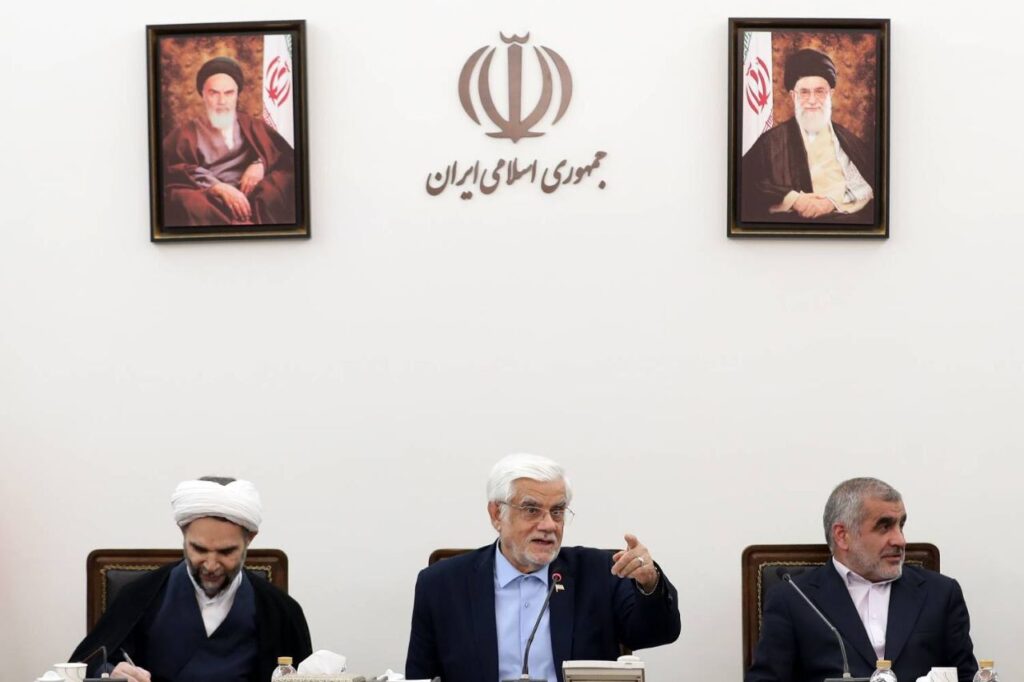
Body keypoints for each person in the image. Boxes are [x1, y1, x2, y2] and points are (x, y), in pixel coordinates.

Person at [405, 453, 680, 682]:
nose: (549, 525)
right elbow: (420, 676)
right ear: (496, 514)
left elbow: (658, 632)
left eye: (557, 511)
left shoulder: (601, 572)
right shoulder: (441, 585)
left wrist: (649, 582)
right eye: (531, 510)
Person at [70, 477, 312, 682]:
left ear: (250, 539)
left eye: (226, 552)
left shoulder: (281, 610)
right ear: (183, 533)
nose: (211, 565)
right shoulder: (139, 596)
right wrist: (110, 672)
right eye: (199, 549)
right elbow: (85, 666)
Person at [746, 477, 977, 682]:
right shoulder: (794, 598)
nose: (900, 540)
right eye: (884, 526)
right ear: (842, 536)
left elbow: (967, 676)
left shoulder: (940, 593)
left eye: (901, 525)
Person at [741, 48, 874, 223]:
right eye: (804, 92)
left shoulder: (848, 141)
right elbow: (746, 185)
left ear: (830, 94)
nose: (812, 100)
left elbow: (867, 186)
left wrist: (831, 203)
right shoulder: (770, 142)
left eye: (819, 91)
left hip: (843, 220)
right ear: (793, 96)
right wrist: (793, 199)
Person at [162, 56, 296, 227]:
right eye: (214, 93)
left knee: (280, 184)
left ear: (237, 95)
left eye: (229, 93)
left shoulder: (252, 125)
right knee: (187, 201)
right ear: (203, 94)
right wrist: (218, 188)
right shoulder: (184, 134)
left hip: (253, 195)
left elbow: (282, 155)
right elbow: (173, 170)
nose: (222, 101)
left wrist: (260, 164)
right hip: (210, 198)